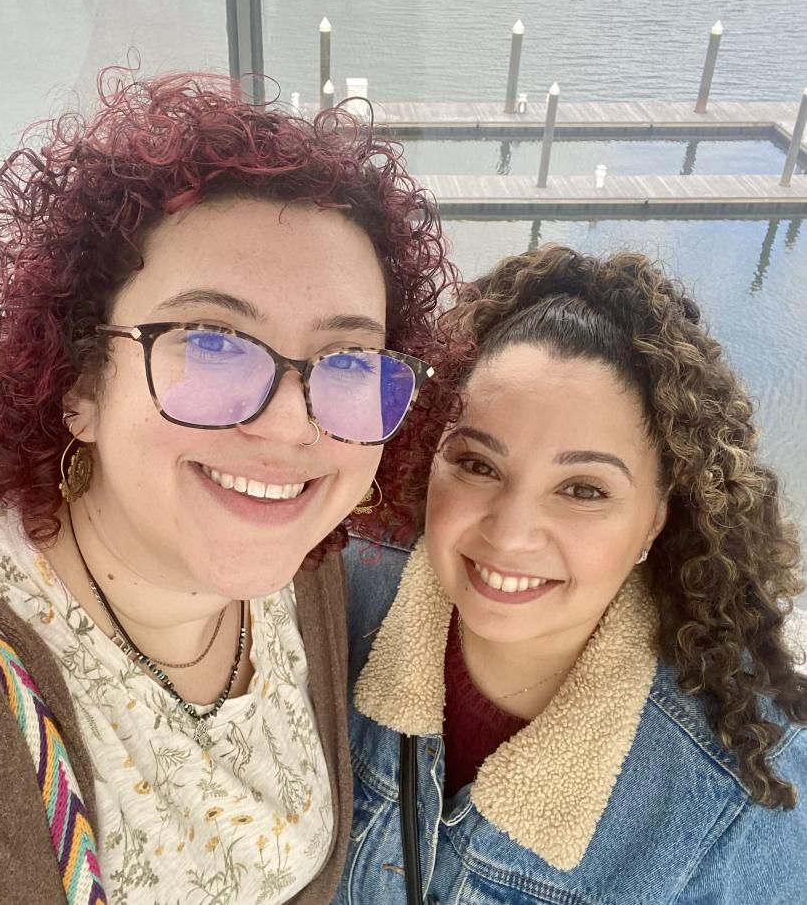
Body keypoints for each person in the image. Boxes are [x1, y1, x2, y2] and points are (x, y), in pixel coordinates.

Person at [0, 70, 454, 905]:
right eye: (215, 341)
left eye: (349, 359)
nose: (294, 426)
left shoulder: (306, 564)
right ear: (80, 382)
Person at [336, 244, 807, 904]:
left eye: (583, 489)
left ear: (656, 520)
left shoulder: (738, 799)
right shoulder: (340, 604)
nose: (510, 533)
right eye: (477, 464)